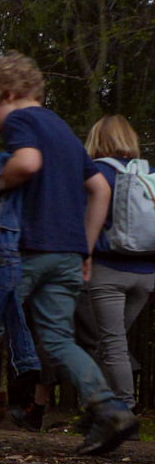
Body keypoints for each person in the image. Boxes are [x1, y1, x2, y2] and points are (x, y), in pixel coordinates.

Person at [0, 51, 137, 454]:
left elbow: (28, 162)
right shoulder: (67, 134)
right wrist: (86, 247)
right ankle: (110, 409)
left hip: (22, 251)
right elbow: (101, 190)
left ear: (5, 93)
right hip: (68, 253)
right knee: (57, 339)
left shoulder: (22, 120)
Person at [83, 115, 155, 411]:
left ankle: (123, 412)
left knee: (112, 344)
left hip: (109, 270)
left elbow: (83, 221)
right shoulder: (148, 173)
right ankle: (102, 410)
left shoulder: (96, 173)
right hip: (147, 273)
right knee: (109, 343)